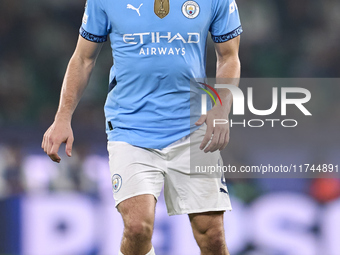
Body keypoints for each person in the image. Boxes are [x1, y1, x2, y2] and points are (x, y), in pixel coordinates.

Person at [42, 0, 242, 254]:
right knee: (137, 228)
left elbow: (229, 56)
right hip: (130, 127)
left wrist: (221, 107)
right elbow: (83, 59)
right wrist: (62, 117)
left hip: (193, 128)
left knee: (212, 234)